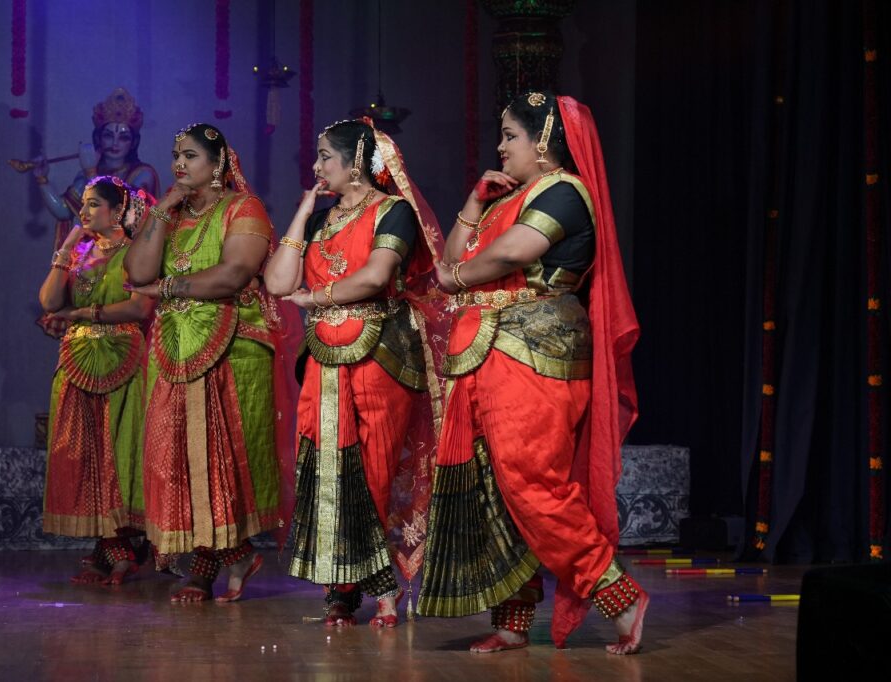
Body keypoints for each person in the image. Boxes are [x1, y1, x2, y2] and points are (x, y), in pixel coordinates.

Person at [416, 91, 644, 654]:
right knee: (490, 488)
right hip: (486, 350)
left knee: (530, 480)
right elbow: (453, 255)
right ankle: (512, 621)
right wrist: (474, 202)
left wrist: (454, 279)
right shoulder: (506, 199)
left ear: (543, 141)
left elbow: (509, 254)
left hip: (534, 349)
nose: (500, 146)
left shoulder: (564, 191)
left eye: (510, 135)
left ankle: (618, 594)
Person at [264, 118, 445, 628]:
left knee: (373, 473)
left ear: (357, 161)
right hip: (324, 359)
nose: (316, 165)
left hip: (380, 354)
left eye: (325, 156)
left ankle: (382, 585)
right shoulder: (321, 219)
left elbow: (376, 276)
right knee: (327, 471)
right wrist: (303, 212)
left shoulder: (393, 212)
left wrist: (317, 298)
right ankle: (340, 589)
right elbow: (278, 283)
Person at [124, 123, 296, 603]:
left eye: (191, 155)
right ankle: (233, 556)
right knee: (175, 457)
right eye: (176, 155)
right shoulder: (173, 215)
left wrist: (167, 288)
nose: (179, 163)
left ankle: (207, 564)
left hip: (232, 348)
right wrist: (162, 207)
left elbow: (234, 273)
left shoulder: (244, 208)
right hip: (174, 349)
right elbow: (137, 271)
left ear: (218, 163)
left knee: (219, 459)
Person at [39, 175, 155, 584]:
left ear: (117, 210)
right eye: (84, 203)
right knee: (83, 452)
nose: (84, 211)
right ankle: (109, 549)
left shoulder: (137, 253)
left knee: (118, 451)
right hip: (77, 362)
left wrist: (82, 314)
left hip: (122, 358)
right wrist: (68, 246)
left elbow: (139, 308)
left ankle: (123, 547)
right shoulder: (81, 251)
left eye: (93, 204)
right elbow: (49, 301)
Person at [32, 88, 160, 251]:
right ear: (98, 138)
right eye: (108, 136)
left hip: (124, 254)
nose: (115, 143)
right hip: (90, 254)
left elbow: (121, 215)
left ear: (133, 143)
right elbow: (63, 211)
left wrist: (91, 173)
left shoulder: (143, 174)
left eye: (123, 138)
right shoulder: (86, 173)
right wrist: (42, 179)